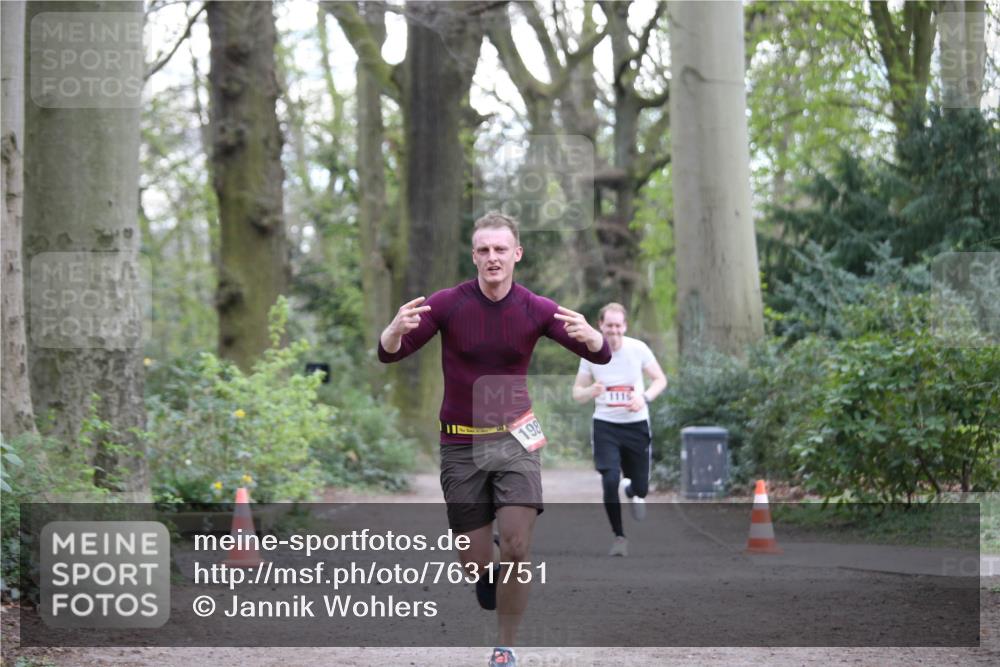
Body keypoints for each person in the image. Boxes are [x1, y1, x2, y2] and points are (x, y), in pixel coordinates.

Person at [377, 211, 611, 667]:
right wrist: (391, 331)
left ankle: (505, 647)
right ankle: (487, 575)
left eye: (501, 249)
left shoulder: (535, 308)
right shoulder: (447, 304)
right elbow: (393, 353)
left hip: (515, 439)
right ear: (474, 256)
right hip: (460, 444)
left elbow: (596, 353)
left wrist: (595, 337)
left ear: (517, 254)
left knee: (518, 545)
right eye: (483, 250)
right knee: (474, 561)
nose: (492, 258)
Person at [572, 302, 667, 557]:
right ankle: (619, 537)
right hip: (605, 425)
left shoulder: (638, 349)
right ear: (600, 325)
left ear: (624, 326)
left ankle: (633, 491)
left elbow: (660, 379)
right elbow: (577, 393)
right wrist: (591, 391)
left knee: (641, 487)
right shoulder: (589, 353)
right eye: (608, 325)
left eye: (618, 325)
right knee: (609, 479)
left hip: (636, 424)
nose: (613, 330)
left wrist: (644, 398)